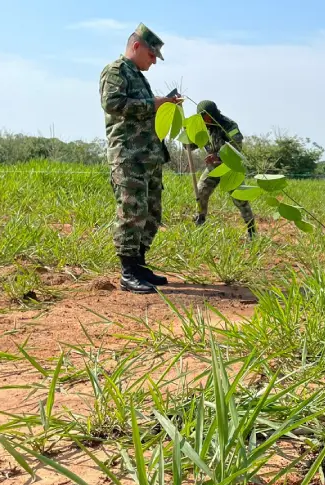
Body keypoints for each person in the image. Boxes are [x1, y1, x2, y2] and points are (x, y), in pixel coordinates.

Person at [99, 23, 180, 294]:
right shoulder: (116, 71)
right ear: (136, 46)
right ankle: (127, 271)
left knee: (151, 212)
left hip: (148, 156)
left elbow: (144, 114)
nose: (154, 61)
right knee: (131, 212)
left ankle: (139, 263)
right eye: (152, 55)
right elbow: (113, 104)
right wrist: (153, 104)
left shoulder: (138, 75)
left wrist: (164, 106)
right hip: (128, 156)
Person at [190, 100, 257, 238]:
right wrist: (187, 136)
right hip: (213, 168)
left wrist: (218, 156)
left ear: (213, 114)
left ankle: (251, 230)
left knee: (240, 198)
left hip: (230, 167)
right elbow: (193, 144)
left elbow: (236, 147)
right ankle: (200, 223)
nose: (204, 120)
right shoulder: (203, 128)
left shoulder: (228, 125)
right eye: (202, 117)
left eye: (206, 116)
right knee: (200, 191)